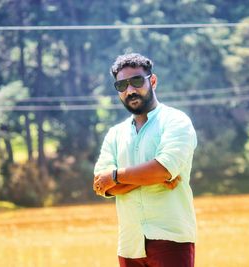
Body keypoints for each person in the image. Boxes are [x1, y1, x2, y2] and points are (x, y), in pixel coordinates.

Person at [93, 53, 197, 267]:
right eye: (122, 85)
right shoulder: (115, 134)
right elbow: (101, 186)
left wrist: (115, 176)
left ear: (153, 81)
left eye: (137, 81)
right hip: (130, 245)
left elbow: (161, 170)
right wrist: (153, 176)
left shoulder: (176, 121)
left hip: (170, 239)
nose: (130, 90)